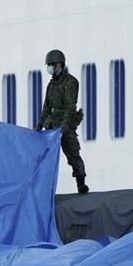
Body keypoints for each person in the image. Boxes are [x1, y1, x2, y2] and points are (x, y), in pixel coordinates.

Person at [36, 49, 89, 194]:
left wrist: (65, 127)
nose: (49, 68)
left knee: (72, 151)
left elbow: (70, 107)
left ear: (59, 65)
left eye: (51, 65)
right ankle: (44, 186)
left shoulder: (71, 82)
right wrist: (39, 126)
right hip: (52, 124)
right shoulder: (51, 85)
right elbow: (46, 107)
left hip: (65, 123)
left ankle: (80, 182)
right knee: (46, 156)